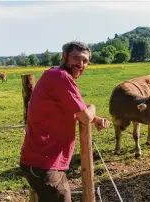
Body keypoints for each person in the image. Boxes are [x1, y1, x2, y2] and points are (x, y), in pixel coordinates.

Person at [19, 41, 110, 202]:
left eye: (85, 61)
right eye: (76, 58)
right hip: (44, 163)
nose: (80, 64)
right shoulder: (61, 77)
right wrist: (92, 109)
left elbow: (71, 109)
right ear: (64, 56)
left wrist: (94, 119)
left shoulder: (55, 75)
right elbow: (84, 116)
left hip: (44, 161)